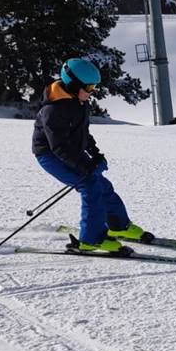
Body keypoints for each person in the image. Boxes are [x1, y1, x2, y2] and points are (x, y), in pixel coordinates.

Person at [31, 57, 152, 255]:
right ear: (73, 84)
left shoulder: (78, 101)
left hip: (71, 151)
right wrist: (83, 166)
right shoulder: (52, 110)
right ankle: (91, 239)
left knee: (103, 185)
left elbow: (82, 133)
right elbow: (58, 147)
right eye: (89, 87)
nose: (92, 91)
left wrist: (95, 153)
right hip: (50, 155)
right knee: (90, 187)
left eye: (94, 86)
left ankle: (118, 226)